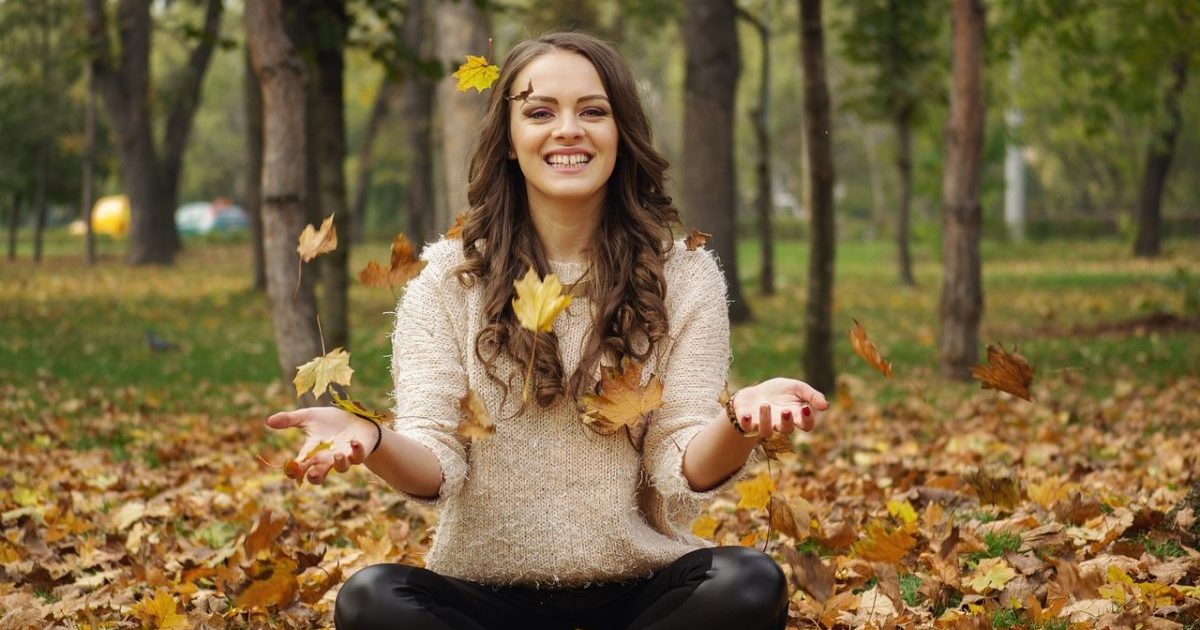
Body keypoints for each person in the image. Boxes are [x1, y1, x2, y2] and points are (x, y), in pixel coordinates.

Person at [266, 32, 829, 630]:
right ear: (509, 140)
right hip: (487, 598)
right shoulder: (446, 281)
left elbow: (681, 462)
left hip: (642, 598)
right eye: (539, 112)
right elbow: (436, 461)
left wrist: (739, 420)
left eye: (593, 111)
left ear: (622, 132)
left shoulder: (685, 277)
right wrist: (371, 438)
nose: (568, 130)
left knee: (748, 582)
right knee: (371, 598)